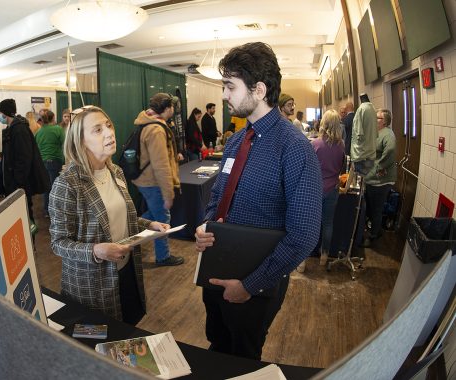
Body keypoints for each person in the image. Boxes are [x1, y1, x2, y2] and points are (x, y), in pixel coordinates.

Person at [194, 42, 322, 360]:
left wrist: (250, 285)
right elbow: (219, 195)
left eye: (230, 86)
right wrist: (205, 225)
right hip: (216, 268)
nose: (224, 95)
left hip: (255, 282)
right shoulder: (237, 139)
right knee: (218, 343)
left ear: (259, 89)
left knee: (243, 354)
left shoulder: (294, 148)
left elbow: (304, 235)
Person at [48, 105, 169, 323]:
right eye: (97, 130)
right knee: (101, 342)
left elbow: (120, 216)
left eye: (108, 125)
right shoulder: (67, 183)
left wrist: (148, 225)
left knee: (128, 330)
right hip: (92, 283)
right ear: (80, 141)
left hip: (126, 271)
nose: (109, 132)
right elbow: (58, 243)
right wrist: (96, 250)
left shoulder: (116, 171)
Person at [132, 93, 184, 266]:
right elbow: (160, 166)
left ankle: (127, 233)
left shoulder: (149, 122)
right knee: (162, 220)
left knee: (151, 217)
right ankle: (163, 257)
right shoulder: (156, 129)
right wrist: (168, 195)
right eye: (172, 108)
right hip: (153, 183)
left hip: (146, 181)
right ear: (168, 108)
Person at [0, 99, 50, 224]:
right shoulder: (12, 129)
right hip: (14, 185)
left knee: (25, 218)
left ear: (4, 113)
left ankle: (29, 242)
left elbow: (24, 159)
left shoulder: (19, 130)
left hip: (19, 187)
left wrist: (17, 184)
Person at [311, 110, 345, 266]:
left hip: (315, 189)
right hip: (333, 188)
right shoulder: (341, 145)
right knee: (328, 223)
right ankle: (324, 255)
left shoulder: (315, 144)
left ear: (323, 123)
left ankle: (303, 259)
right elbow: (341, 168)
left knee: (311, 223)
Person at [362, 108, 396, 247]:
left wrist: (380, 167)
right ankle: (374, 229)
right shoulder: (377, 132)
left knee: (376, 209)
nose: (375, 120)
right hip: (371, 178)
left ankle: (373, 235)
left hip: (380, 181)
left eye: (378, 118)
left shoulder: (388, 134)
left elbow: (391, 150)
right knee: (370, 207)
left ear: (385, 121)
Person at [35, 109, 65, 217]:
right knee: (55, 187)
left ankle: (47, 210)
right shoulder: (58, 129)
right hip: (55, 161)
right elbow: (64, 143)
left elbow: (36, 147)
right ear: (53, 118)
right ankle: (55, 211)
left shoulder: (39, 132)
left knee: (46, 187)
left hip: (43, 162)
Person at [351, 93, 377, 176]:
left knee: (360, 180)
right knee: (368, 179)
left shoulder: (361, 109)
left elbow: (358, 133)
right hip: (371, 152)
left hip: (361, 155)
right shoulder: (373, 108)